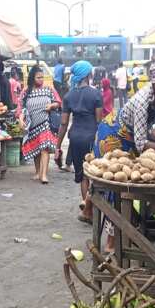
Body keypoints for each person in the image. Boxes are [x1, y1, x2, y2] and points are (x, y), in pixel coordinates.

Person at [94, 61, 155, 157]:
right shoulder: (142, 102)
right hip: (114, 133)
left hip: (133, 134)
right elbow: (141, 143)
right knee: (113, 165)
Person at [56, 60, 103, 224]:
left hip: (75, 137)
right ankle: (90, 209)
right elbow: (99, 121)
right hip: (91, 138)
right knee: (94, 174)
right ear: (88, 74)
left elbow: (63, 124)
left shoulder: (68, 96)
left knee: (82, 175)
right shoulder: (96, 94)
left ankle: (87, 210)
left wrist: (57, 147)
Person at [21, 66, 60, 184]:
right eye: (38, 77)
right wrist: (20, 119)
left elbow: (58, 102)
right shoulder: (26, 92)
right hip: (32, 125)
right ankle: (38, 172)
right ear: (32, 78)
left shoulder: (49, 89)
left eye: (42, 77)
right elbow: (20, 108)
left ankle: (44, 175)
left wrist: (52, 106)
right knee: (36, 150)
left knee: (44, 148)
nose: (41, 79)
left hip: (45, 123)